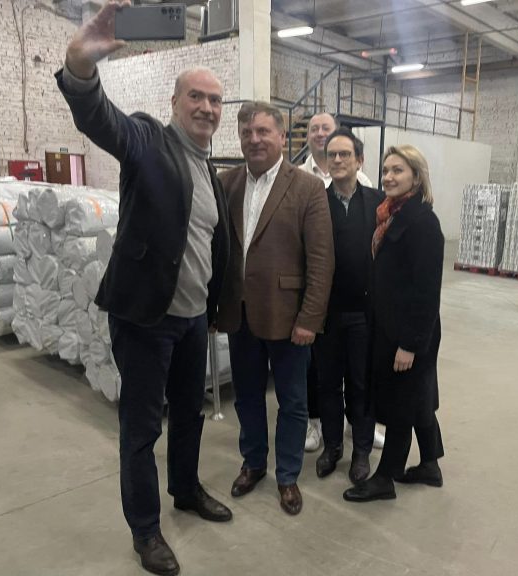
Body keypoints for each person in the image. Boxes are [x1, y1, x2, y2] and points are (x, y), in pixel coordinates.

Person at [56, 2, 232, 574]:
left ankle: (185, 489)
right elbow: (99, 118)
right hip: (146, 320)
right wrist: (81, 65)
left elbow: (210, 246)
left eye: (215, 100)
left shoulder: (208, 169)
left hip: (192, 321)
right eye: (196, 97)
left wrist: (214, 308)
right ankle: (146, 530)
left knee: (190, 415)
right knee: (141, 429)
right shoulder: (148, 141)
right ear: (174, 103)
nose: (206, 107)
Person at [217, 101, 334, 516]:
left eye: (263, 131)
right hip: (240, 315)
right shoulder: (226, 183)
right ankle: (253, 463)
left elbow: (321, 260)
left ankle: (287, 475)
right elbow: (218, 250)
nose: (254, 139)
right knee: (247, 398)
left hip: (289, 318)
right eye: (247, 133)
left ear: (283, 137)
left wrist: (310, 319)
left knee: (293, 402)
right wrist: (215, 306)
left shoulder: (307, 187)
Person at [343, 145, 445, 503]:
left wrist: (410, 345)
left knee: (402, 403)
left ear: (416, 177)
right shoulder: (390, 215)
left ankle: (385, 477)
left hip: (408, 332)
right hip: (388, 326)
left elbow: (427, 292)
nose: (388, 177)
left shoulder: (423, 223)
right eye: (385, 170)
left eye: (398, 170)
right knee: (418, 396)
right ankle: (430, 464)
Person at [299, 111, 382, 452]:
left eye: (345, 154)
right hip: (326, 312)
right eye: (332, 154)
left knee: (361, 382)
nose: (337, 160)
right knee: (327, 382)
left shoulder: (377, 202)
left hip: (364, 311)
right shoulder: (315, 200)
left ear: (359, 160)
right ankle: (332, 446)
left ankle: (361, 447)